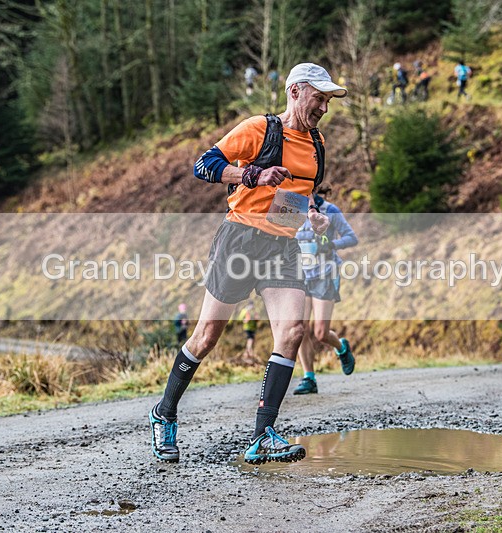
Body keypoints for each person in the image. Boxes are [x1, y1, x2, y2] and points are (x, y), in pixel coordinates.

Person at [149, 62, 345, 465]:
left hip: (283, 247)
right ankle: (163, 412)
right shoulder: (260, 128)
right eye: (318, 98)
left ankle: (262, 434)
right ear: (295, 91)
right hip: (239, 240)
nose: (323, 107)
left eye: (327, 101)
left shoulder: (317, 144)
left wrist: (316, 220)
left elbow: (299, 197)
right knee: (206, 337)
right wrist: (252, 174)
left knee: (292, 331)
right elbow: (203, 165)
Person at [293, 193, 357, 395]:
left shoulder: (331, 210)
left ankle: (341, 347)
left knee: (320, 333)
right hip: (300, 276)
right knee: (299, 329)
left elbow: (351, 237)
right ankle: (308, 378)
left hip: (325, 274)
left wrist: (330, 245)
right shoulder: (292, 209)